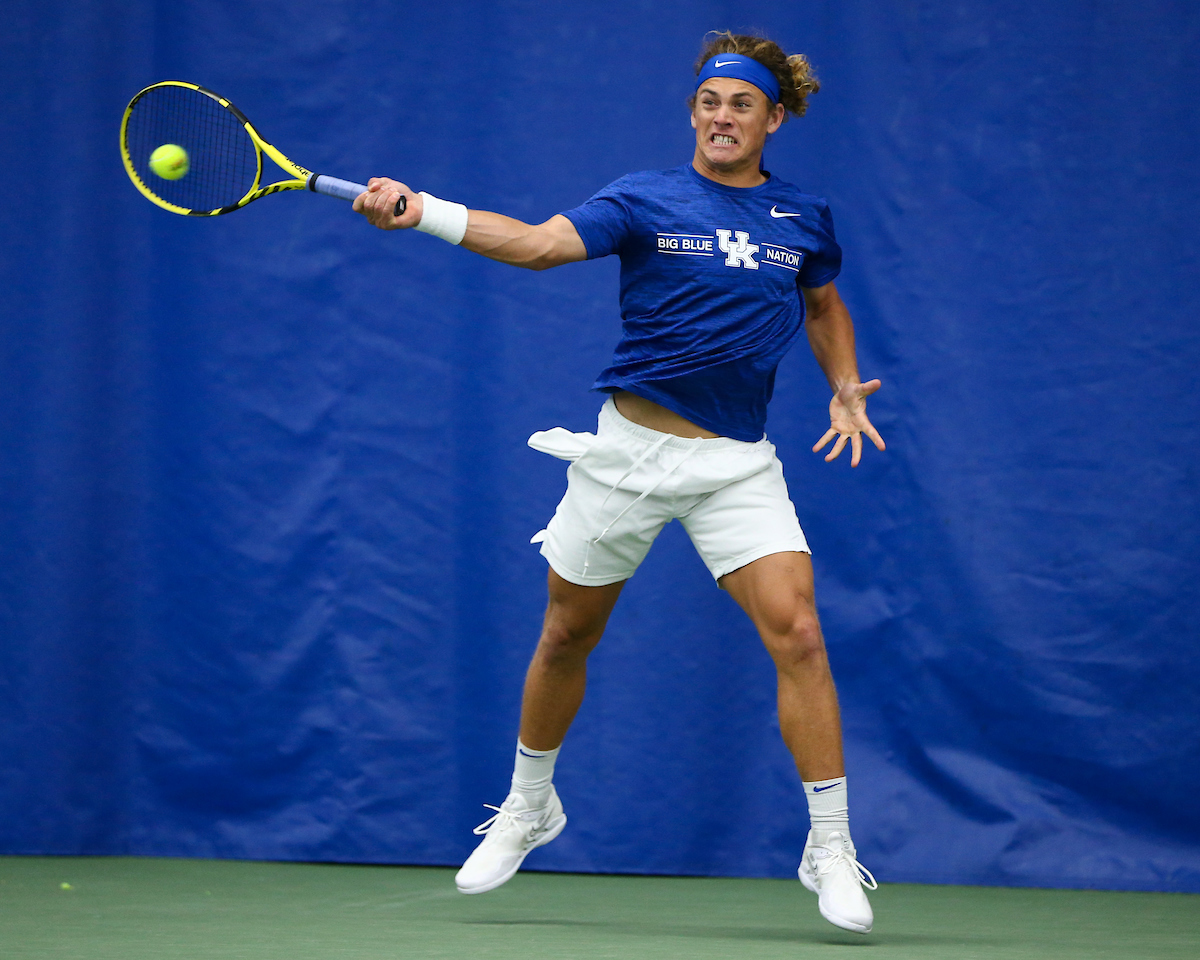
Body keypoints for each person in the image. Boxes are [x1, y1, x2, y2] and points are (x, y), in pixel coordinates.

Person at [354, 31, 885, 935]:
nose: (723, 117)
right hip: (627, 457)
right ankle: (530, 806)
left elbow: (821, 302)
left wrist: (842, 384)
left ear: (774, 118)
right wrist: (423, 212)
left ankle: (829, 844)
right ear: (694, 113)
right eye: (711, 102)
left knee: (799, 632)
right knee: (566, 633)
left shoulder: (803, 216)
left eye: (743, 105)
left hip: (735, 468)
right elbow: (532, 246)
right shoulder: (643, 199)